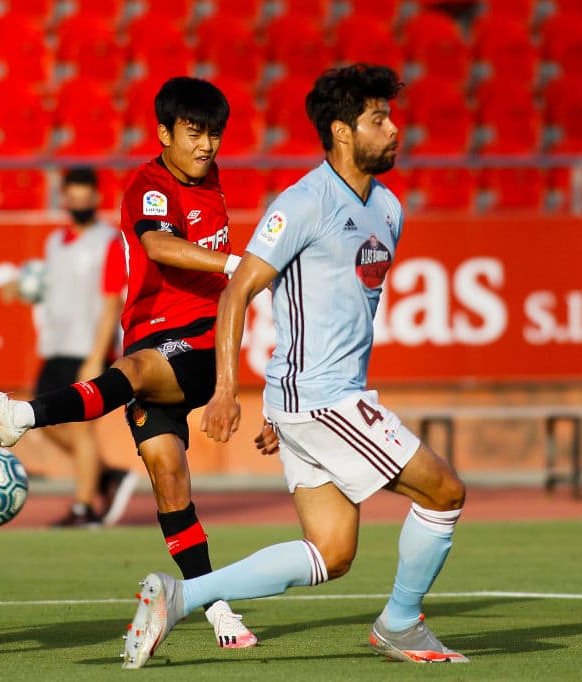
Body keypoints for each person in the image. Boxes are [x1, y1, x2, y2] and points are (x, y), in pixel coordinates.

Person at [121, 63, 469, 668]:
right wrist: (230, 391)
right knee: (444, 491)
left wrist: (283, 410)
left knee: (331, 553)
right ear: (340, 131)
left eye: (390, 117)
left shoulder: (388, 208)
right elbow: (238, 292)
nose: (394, 130)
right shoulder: (304, 203)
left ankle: (181, 597)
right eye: (378, 119)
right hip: (323, 397)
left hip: (313, 402)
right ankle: (402, 623)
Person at [0, 76, 259, 649]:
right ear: (164, 133)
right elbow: (157, 245)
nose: (207, 146)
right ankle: (217, 608)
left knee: (137, 372)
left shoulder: (209, 178)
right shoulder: (148, 184)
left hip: (194, 338)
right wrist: (234, 262)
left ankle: (19, 417)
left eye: (215, 134)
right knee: (170, 480)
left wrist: (228, 379)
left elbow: (204, 274)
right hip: (146, 336)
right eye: (195, 133)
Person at [15, 166, 137, 527]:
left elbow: (112, 300)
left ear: (97, 198)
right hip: (56, 345)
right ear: (65, 197)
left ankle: (84, 507)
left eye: (86, 195)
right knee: (43, 419)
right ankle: (105, 477)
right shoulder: (54, 242)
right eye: (74, 195)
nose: (80, 201)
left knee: (81, 427)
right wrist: (19, 288)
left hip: (87, 346)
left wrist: (97, 356)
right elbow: (53, 288)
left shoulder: (107, 241)